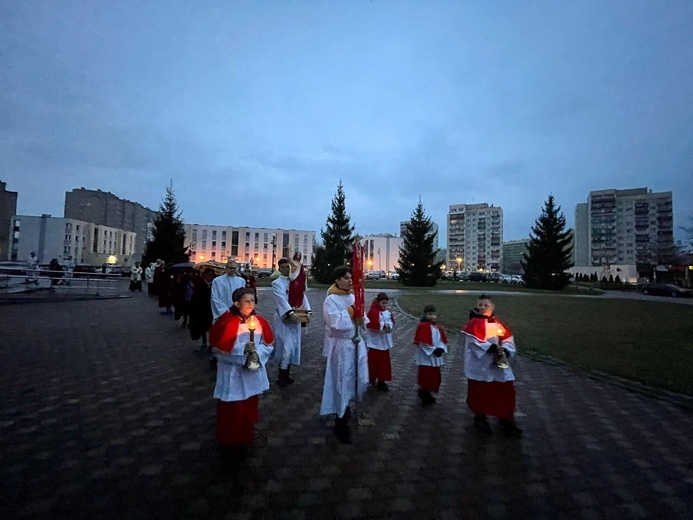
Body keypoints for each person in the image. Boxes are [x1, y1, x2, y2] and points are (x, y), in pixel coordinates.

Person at [209, 287, 274, 455]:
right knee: (233, 407)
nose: (250, 304)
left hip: (251, 372)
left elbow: (267, 346)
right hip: (233, 373)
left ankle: (247, 434)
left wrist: (256, 353)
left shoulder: (259, 321)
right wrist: (242, 349)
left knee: (249, 405)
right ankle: (230, 438)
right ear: (237, 303)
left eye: (252, 301)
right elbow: (219, 351)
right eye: (246, 301)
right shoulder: (227, 322)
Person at [460, 294, 522, 437]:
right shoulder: (474, 323)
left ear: (492, 307)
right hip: (481, 364)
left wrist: (505, 349)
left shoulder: (497, 323)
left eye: (486, 305)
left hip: (498, 363)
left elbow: (507, 338)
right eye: (480, 305)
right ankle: (480, 417)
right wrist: (489, 348)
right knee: (481, 391)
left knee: (505, 389)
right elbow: (473, 342)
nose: (482, 307)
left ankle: (505, 418)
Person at [320, 266, 369, 444]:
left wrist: (362, 317)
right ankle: (340, 421)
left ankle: (349, 404)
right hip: (342, 346)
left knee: (361, 379)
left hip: (356, 343)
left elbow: (363, 319)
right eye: (346, 278)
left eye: (351, 277)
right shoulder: (331, 300)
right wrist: (349, 312)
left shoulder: (353, 296)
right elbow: (334, 323)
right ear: (337, 280)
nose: (350, 280)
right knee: (343, 381)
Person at [272, 257, 311, 387]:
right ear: (279, 268)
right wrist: (289, 312)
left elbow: (302, 296)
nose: (286, 269)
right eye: (283, 267)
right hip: (284, 320)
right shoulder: (277, 283)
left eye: (288, 267)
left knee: (293, 346)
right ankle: (281, 375)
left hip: (296, 319)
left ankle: (286, 373)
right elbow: (281, 299)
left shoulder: (294, 281)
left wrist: (307, 311)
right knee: (285, 347)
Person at [413, 304, 448, 405]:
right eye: (429, 314)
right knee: (426, 377)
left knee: (434, 376)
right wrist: (433, 350)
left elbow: (442, 340)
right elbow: (422, 342)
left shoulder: (437, 327)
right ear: (425, 315)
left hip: (435, 357)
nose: (432, 316)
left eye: (433, 314)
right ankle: (424, 393)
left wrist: (441, 348)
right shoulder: (422, 326)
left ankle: (428, 393)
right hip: (426, 358)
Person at [366, 292, 395, 392]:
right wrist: (382, 326)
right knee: (374, 363)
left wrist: (389, 326)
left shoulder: (387, 312)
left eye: (386, 303)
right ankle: (372, 378)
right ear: (378, 302)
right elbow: (371, 324)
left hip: (384, 343)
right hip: (375, 343)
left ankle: (382, 380)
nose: (385, 305)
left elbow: (391, 322)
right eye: (383, 303)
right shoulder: (373, 311)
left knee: (384, 364)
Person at [189, 268, 215, 351]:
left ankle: (211, 344)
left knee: (211, 328)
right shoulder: (199, 284)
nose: (210, 277)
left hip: (211, 310)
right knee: (203, 327)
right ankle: (204, 342)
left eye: (211, 275)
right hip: (201, 310)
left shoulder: (215, 285)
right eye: (208, 275)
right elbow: (196, 297)